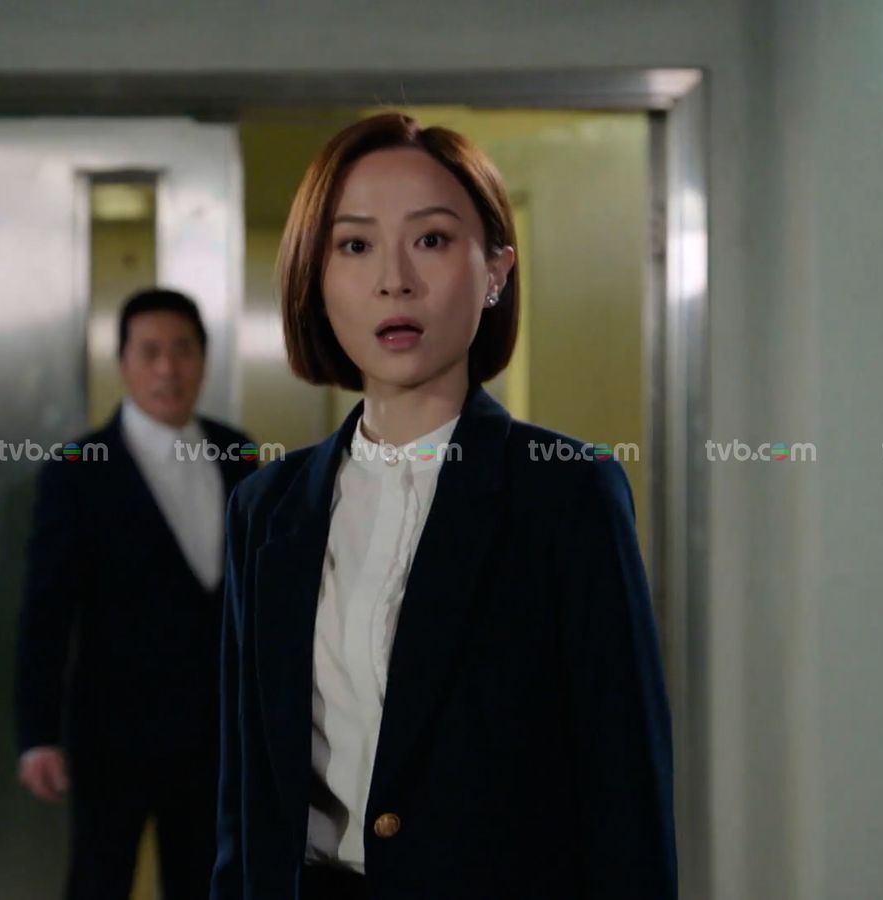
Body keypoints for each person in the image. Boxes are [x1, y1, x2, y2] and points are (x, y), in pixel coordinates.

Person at [210, 113, 676, 900]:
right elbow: (245, 794)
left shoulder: (566, 491)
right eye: (354, 245)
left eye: (430, 239)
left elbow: (625, 790)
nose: (394, 279)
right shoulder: (267, 507)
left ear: (495, 271)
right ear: (314, 279)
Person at [16, 288, 260, 900]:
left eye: (183, 350)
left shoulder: (240, 453)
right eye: (150, 351)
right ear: (123, 362)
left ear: (203, 359)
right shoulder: (76, 468)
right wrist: (37, 733)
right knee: (99, 882)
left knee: (210, 882)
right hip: (111, 735)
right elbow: (46, 610)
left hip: (214, 735)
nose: (167, 368)